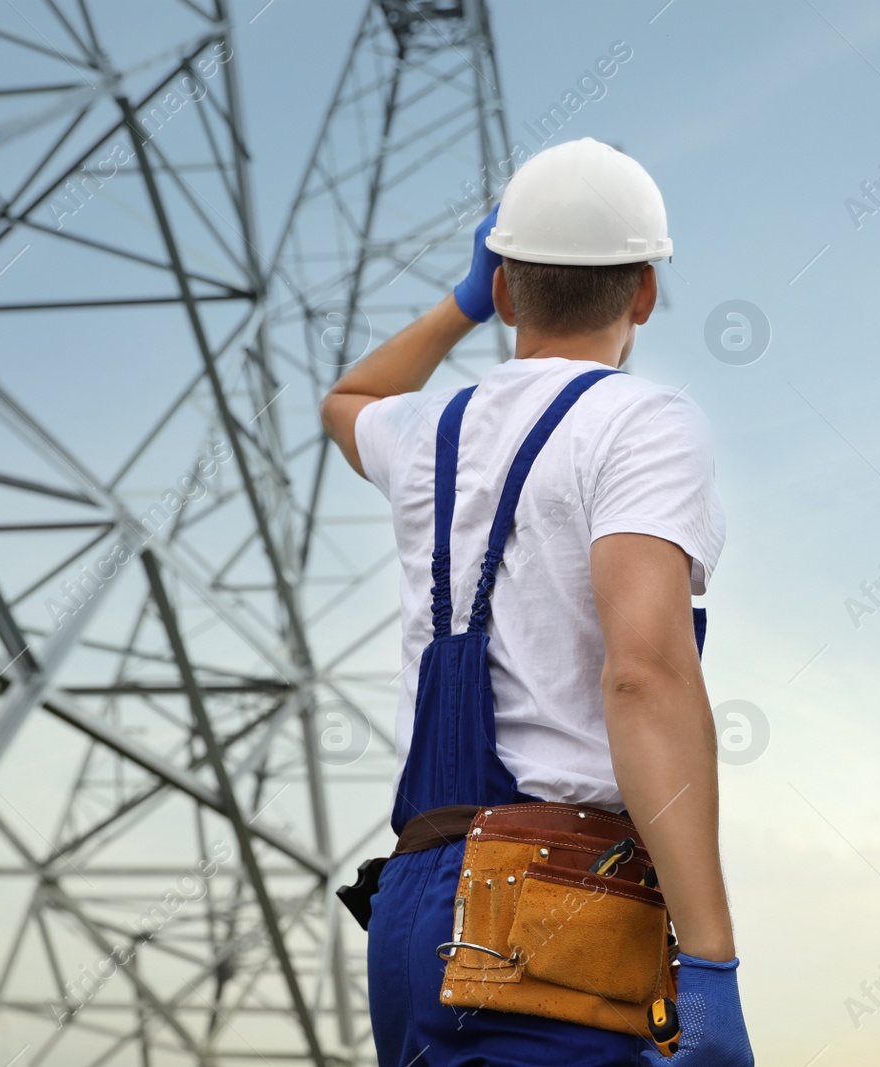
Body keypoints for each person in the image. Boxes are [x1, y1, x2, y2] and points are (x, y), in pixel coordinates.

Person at [321, 137, 754, 1066]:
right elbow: (644, 674)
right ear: (643, 291)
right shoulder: (643, 422)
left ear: (508, 289)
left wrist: (463, 300)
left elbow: (347, 398)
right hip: (558, 905)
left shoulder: (425, 425)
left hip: (412, 906)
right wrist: (711, 958)